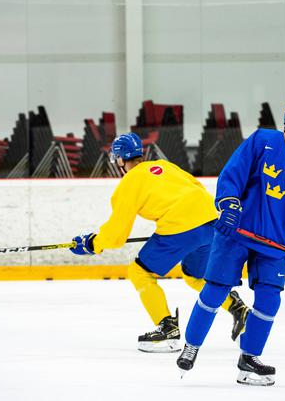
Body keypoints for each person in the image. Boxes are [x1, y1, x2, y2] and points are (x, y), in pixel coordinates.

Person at [175, 100, 285, 386]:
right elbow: (233, 172)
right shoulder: (263, 141)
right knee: (215, 290)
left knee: (270, 299)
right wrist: (229, 204)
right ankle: (192, 345)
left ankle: (249, 359)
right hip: (237, 232)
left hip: (273, 243)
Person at [69, 132, 249, 352]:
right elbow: (196, 187)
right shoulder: (164, 166)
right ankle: (237, 308)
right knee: (195, 277)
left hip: (181, 227)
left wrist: (92, 244)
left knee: (139, 272)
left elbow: (116, 236)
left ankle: (167, 329)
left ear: (119, 159)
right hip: (210, 222)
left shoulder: (129, 182)